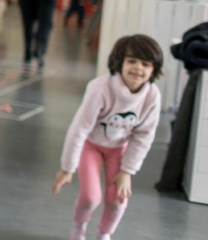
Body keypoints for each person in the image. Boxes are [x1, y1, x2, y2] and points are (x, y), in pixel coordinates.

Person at [52, 34, 163, 240]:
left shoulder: (152, 96)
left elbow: (144, 135)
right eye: (131, 61)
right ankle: (78, 229)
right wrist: (68, 167)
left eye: (146, 64)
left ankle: (104, 234)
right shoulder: (100, 88)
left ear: (153, 70)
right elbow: (79, 128)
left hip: (118, 148)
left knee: (118, 199)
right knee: (90, 197)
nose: (138, 68)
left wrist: (127, 170)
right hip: (91, 145)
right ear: (119, 62)